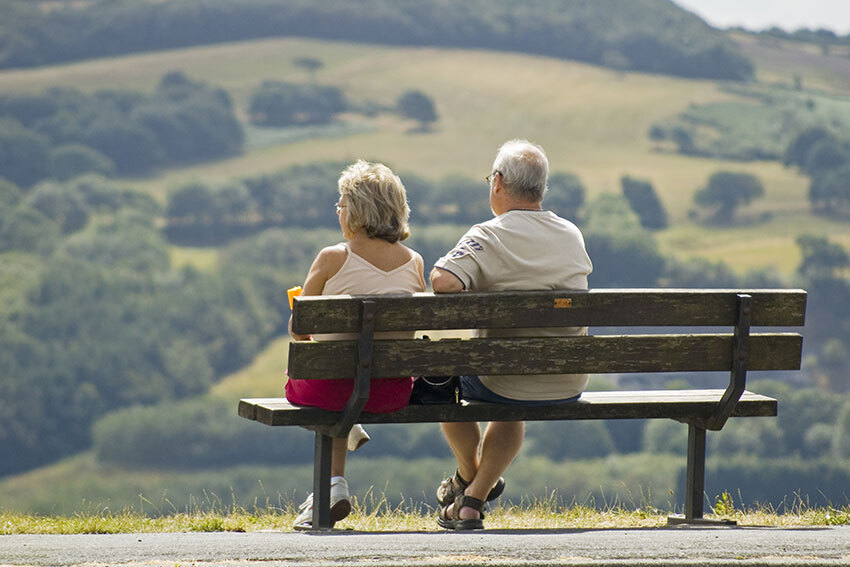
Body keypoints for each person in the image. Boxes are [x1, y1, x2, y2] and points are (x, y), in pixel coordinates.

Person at [429, 139, 593, 530]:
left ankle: (467, 476)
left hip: (501, 379)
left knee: (440, 380)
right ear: (540, 188)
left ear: (498, 182)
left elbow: (442, 281)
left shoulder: (488, 235)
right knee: (512, 378)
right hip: (567, 379)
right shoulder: (571, 234)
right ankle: (471, 503)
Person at [285, 159, 426, 529]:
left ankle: (332, 483)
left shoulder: (332, 258)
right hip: (391, 391)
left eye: (342, 202)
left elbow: (298, 330)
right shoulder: (415, 263)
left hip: (327, 388)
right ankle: (331, 485)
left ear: (359, 210)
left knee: (317, 373)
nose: (337, 209)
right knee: (344, 381)